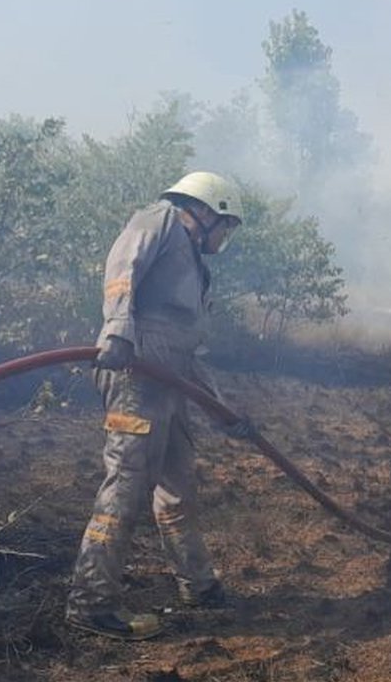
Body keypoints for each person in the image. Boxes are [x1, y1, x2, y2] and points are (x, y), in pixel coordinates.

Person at [65, 171, 250, 640]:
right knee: (126, 488)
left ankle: (197, 584)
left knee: (177, 486)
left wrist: (222, 411)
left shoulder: (194, 265)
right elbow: (122, 268)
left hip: (170, 380)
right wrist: (117, 329)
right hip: (137, 373)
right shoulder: (161, 220)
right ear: (207, 209)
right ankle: (91, 602)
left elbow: (189, 353)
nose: (223, 237)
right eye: (225, 224)